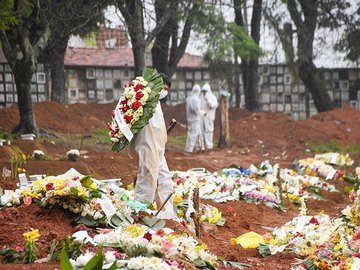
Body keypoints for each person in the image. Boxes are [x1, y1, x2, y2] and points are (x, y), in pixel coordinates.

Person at [131, 73, 174, 215]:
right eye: (162, 87)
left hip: (159, 150)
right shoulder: (145, 99)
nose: (164, 91)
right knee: (146, 182)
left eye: (166, 89)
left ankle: (167, 213)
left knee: (165, 181)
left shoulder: (157, 103)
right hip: (147, 149)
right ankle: (139, 213)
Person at [199, 83, 218, 150]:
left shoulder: (213, 97)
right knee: (201, 131)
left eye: (205, 91)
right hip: (202, 117)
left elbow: (213, 106)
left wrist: (208, 101)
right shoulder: (201, 98)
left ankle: (209, 145)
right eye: (203, 91)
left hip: (209, 117)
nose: (204, 93)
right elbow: (199, 107)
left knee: (209, 131)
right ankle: (201, 146)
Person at [185, 84, 202, 152]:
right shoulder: (195, 99)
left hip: (191, 119)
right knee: (193, 135)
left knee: (198, 133)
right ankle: (189, 149)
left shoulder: (189, 98)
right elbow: (196, 109)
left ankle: (199, 148)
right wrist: (202, 112)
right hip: (194, 119)